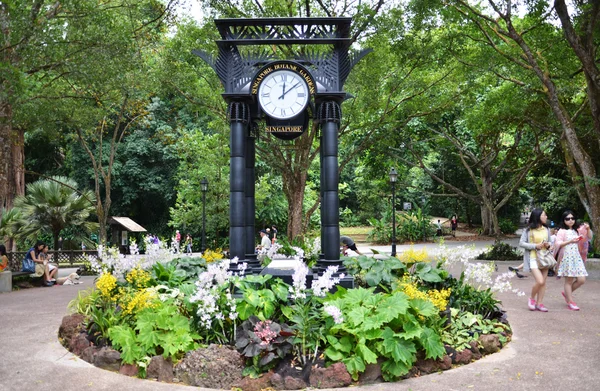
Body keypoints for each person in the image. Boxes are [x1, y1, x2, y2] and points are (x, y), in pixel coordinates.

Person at [519, 208, 553, 312]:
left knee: (543, 282)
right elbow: (522, 243)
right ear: (538, 217)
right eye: (544, 215)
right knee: (540, 281)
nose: (546, 217)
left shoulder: (546, 229)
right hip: (533, 258)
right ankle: (532, 299)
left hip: (545, 258)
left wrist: (548, 245)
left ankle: (540, 303)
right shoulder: (528, 230)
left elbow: (550, 243)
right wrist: (535, 246)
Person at [554, 211, 588, 311]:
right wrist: (571, 241)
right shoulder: (562, 231)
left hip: (576, 257)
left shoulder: (577, 230)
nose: (570, 220)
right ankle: (570, 301)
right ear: (564, 220)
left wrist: (588, 228)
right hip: (566, 257)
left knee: (581, 280)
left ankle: (566, 293)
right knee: (568, 281)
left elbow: (588, 237)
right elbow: (558, 243)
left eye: (572, 218)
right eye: (567, 219)